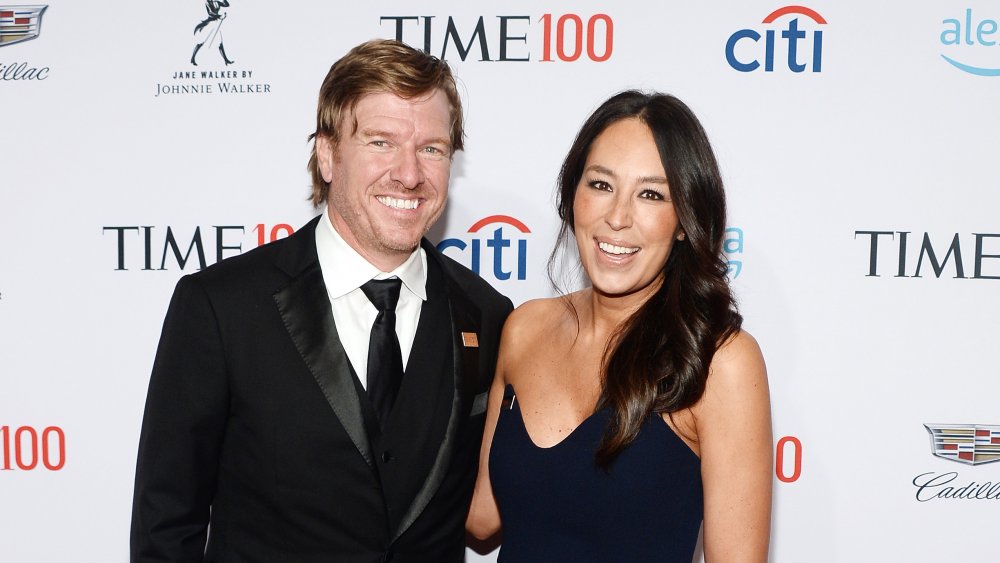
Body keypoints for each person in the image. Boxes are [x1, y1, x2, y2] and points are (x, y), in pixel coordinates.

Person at [131, 39, 513, 562]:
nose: (409, 174)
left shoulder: (488, 315)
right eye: (381, 142)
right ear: (327, 155)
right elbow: (166, 524)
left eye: (432, 148)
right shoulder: (222, 308)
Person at [466, 91, 772, 562]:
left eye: (651, 194)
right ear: (573, 196)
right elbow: (481, 516)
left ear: (685, 222)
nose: (617, 217)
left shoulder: (720, 361)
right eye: (601, 185)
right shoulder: (524, 328)